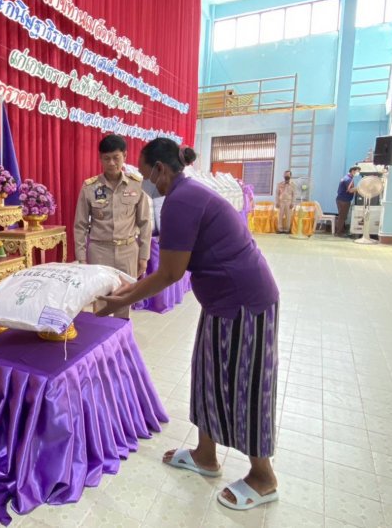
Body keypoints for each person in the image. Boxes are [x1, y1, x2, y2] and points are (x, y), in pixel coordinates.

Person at [97, 138, 280, 511]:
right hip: (219, 302)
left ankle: (263, 478)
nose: (143, 181)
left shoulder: (181, 200)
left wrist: (121, 300)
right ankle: (205, 455)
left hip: (246, 301)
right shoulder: (183, 193)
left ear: (161, 170)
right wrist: (129, 289)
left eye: (144, 173)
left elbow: (169, 273)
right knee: (207, 375)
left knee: (246, 383)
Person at [74, 134, 152, 319]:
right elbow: (80, 225)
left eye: (116, 158)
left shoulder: (136, 184)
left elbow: (145, 222)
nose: (111, 163)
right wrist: (81, 258)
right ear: (100, 158)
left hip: (128, 251)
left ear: (124, 155)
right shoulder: (89, 187)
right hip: (99, 251)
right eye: (106, 158)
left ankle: (120, 340)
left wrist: (144, 255)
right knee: (100, 299)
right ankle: (100, 340)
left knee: (125, 299)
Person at [336, 166, 361, 236]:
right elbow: (350, 190)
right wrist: (360, 187)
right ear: (353, 171)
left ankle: (341, 231)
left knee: (342, 216)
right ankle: (339, 233)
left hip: (341, 199)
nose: (358, 173)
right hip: (344, 200)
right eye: (358, 171)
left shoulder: (346, 177)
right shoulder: (348, 179)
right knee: (342, 217)